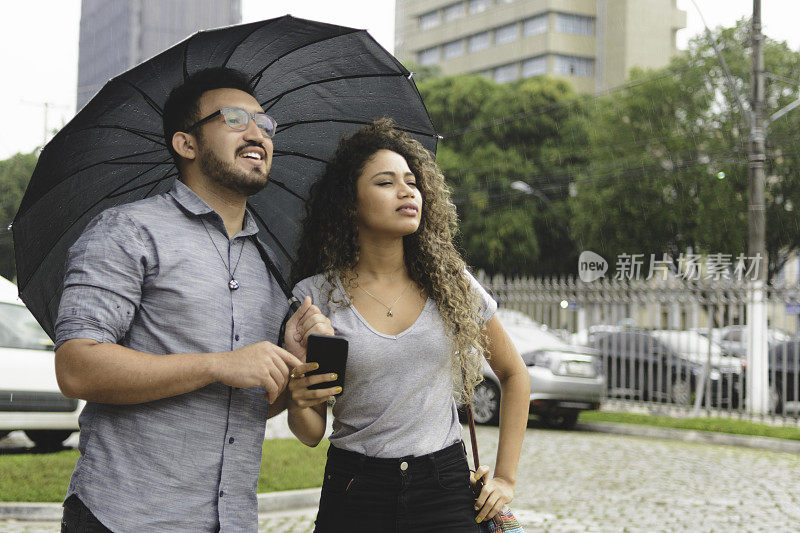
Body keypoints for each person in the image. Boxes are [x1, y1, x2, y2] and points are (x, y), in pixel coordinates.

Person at [54, 68, 333, 532]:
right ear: (186, 144)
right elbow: (76, 366)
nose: (257, 133)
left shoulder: (268, 266)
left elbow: (242, 406)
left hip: (229, 521)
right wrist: (217, 364)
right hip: (123, 517)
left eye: (266, 124)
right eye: (234, 119)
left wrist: (289, 374)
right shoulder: (127, 231)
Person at [286, 118, 530, 532]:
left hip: (444, 488)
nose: (406, 192)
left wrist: (505, 478)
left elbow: (514, 373)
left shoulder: (450, 281)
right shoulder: (315, 298)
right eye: (385, 183)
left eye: (412, 181)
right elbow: (311, 433)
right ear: (350, 202)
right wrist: (298, 394)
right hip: (355, 491)